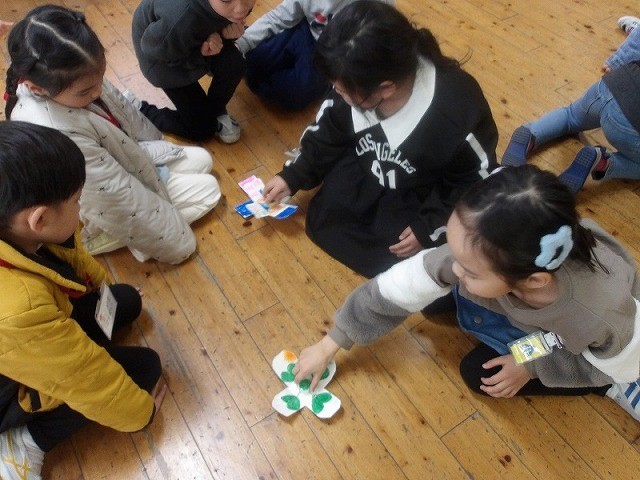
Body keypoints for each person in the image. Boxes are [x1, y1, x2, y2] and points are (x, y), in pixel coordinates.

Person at [292, 165, 640, 422]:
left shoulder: (599, 316)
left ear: (534, 281)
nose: (454, 269)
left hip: (579, 345)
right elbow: (397, 288)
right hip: (529, 303)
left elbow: (600, 363)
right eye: (455, 254)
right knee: (432, 298)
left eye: (469, 271)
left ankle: (611, 394)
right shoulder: (487, 247)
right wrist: (331, 343)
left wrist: (529, 364)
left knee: (480, 374)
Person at [262, 0, 498, 279]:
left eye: (343, 90)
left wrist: (429, 225)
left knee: (403, 255)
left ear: (385, 88)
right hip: (366, 170)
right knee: (329, 218)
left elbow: (471, 181)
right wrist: (294, 175)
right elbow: (327, 132)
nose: (337, 94)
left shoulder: (456, 107)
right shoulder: (356, 82)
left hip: (420, 191)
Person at [0, 121, 167, 479]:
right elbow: (85, 381)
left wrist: (100, 290)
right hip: (9, 387)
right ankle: (26, 441)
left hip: (31, 332)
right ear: (39, 219)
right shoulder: (17, 310)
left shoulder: (21, 229)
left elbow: (69, 259)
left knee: (124, 301)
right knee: (145, 370)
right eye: (77, 200)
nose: (81, 208)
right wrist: (142, 415)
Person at [5, 5, 221, 264]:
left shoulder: (70, 74)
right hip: (92, 210)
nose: (97, 91)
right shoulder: (58, 133)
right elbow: (117, 201)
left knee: (203, 160)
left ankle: (161, 195)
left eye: (100, 80)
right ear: (37, 89)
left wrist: (154, 154)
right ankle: (101, 239)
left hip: (121, 162)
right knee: (209, 191)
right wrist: (177, 244)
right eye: (85, 91)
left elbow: (124, 114)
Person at [502, 22, 640, 193]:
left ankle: (530, 134)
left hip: (613, 84)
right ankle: (602, 162)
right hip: (630, 122)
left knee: (571, 115)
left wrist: (618, 60)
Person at [132, 0, 255, 142]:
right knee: (202, 129)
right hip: (163, 61)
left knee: (235, 64)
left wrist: (225, 34)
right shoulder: (179, 19)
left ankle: (215, 110)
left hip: (192, 38)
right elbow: (152, 50)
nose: (241, 9)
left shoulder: (228, 8)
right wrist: (200, 54)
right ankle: (142, 110)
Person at [236, 0, 392, 111]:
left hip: (335, 54)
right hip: (305, 30)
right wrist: (242, 42)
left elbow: (382, 43)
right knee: (254, 57)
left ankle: (256, 74)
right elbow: (279, 17)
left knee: (294, 94)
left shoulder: (377, 5)